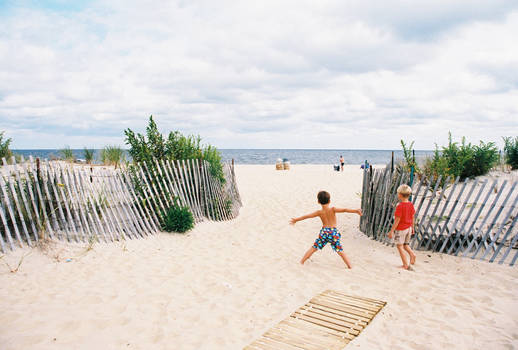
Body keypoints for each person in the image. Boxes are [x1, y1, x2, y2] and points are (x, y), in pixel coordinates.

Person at [290, 191, 362, 269]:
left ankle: (302, 262)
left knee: (314, 247)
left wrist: (296, 220)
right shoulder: (333, 209)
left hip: (324, 232)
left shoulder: (319, 212)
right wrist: (355, 211)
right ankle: (349, 266)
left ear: (318, 202)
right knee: (339, 250)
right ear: (329, 201)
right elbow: (345, 210)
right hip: (333, 232)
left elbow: (307, 216)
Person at [388, 184, 417, 269]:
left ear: (400, 195)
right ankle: (412, 254)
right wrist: (413, 228)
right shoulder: (411, 205)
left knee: (400, 246)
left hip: (401, 229)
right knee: (406, 245)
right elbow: (413, 217)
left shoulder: (400, 206)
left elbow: (397, 220)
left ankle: (405, 264)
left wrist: (392, 231)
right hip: (409, 228)